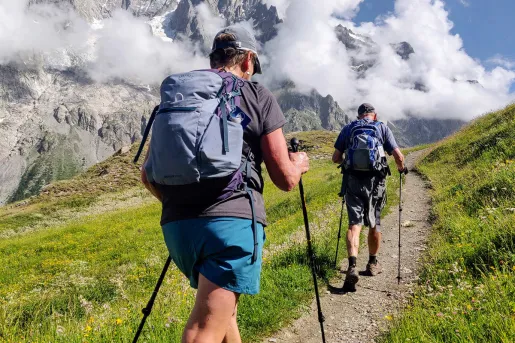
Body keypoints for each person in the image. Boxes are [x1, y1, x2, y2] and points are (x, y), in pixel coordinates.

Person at [141, 25, 309, 343]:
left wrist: (183, 201)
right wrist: (299, 164)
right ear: (248, 60)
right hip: (231, 225)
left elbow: (146, 175)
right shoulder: (257, 94)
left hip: (177, 229)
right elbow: (285, 179)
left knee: (224, 314)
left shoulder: (182, 95)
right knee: (205, 327)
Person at [332, 103, 405, 292]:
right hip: (375, 183)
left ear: (359, 116)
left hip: (353, 181)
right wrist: (400, 168)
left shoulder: (349, 128)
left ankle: (352, 266)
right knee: (374, 222)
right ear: (375, 115)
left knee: (354, 225)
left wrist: (346, 162)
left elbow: (335, 157)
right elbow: (398, 155)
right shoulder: (381, 127)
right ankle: (372, 264)